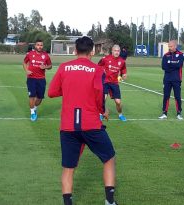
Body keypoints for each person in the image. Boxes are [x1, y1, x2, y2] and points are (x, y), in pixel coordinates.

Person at [48, 36, 118, 205]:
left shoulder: (64, 67)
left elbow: (51, 92)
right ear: (92, 52)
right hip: (90, 124)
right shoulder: (97, 70)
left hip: (68, 126)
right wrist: (104, 110)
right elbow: (99, 94)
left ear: (74, 51)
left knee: (68, 168)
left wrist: (71, 90)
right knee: (109, 158)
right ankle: (109, 201)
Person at [23, 39, 52, 121]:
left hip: (41, 79)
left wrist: (45, 67)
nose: (39, 46)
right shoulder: (30, 54)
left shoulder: (45, 55)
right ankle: (32, 113)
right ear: (35, 46)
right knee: (31, 96)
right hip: (31, 78)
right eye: (38, 45)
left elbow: (50, 65)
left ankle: (35, 108)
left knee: (40, 98)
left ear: (42, 46)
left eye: (41, 45)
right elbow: (24, 62)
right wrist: (26, 70)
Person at [98, 44, 128, 121]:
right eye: (115, 50)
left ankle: (120, 115)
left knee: (118, 102)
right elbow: (98, 66)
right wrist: (102, 71)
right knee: (103, 99)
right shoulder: (105, 59)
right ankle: (101, 113)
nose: (116, 52)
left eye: (118, 51)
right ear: (112, 51)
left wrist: (124, 74)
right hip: (105, 82)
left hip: (114, 83)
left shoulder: (122, 61)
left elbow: (123, 70)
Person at [158, 40, 184, 120]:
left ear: (175, 46)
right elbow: (164, 66)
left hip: (177, 79)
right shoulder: (166, 55)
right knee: (166, 96)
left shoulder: (181, 55)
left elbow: (179, 65)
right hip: (167, 79)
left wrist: (170, 64)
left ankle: (179, 113)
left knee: (177, 96)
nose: (169, 48)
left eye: (171, 46)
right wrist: (173, 64)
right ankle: (164, 113)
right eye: (169, 46)